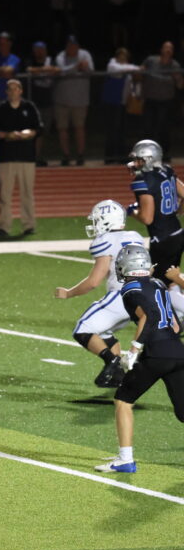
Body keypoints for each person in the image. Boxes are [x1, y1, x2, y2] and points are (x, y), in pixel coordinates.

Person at [95, 245, 184, 474]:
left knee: (123, 400)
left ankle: (125, 459)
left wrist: (134, 349)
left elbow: (149, 316)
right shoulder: (159, 284)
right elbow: (175, 326)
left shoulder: (130, 288)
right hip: (178, 351)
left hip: (156, 354)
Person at [54, 201, 147, 389]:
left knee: (82, 329)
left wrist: (68, 293)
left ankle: (112, 361)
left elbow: (94, 281)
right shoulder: (135, 236)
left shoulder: (105, 241)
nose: (95, 224)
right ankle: (118, 376)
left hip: (121, 295)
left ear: (106, 220)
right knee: (104, 332)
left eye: (97, 220)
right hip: (142, 295)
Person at [125, 139, 184, 286]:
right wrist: (178, 211)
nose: (136, 163)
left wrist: (132, 211)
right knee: (170, 282)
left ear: (150, 159)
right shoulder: (167, 170)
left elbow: (147, 218)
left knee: (156, 285)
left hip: (162, 239)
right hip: (178, 233)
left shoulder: (142, 181)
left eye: (139, 160)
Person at [0, 79, 40, 237]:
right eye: (10, 89)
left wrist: (28, 134)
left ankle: (29, 225)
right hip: (5, 157)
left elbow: (38, 128)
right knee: (4, 194)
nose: (13, 92)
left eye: (15, 89)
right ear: (6, 92)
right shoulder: (0, 109)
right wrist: (8, 135)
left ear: (21, 90)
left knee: (27, 193)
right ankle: (4, 226)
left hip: (26, 157)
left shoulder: (29, 107)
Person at [52, 36, 94, 166]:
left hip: (80, 100)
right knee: (62, 129)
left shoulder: (85, 54)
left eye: (74, 45)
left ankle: (80, 155)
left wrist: (83, 67)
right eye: (69, 45)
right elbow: (61, 71)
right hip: (62, 100)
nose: (72, 47)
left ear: (78, 46)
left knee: (79, 128)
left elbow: (91, 70)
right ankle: (66, 155)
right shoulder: (60, 56)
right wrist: (77, 66)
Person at [141, 42, 184, 155]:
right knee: (148, 128)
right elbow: (139, 74)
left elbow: (180, 85)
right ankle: (147, 154)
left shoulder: (175, 65)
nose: (168, 50)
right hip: (150, 100)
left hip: (166, 102)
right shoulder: (151, 60)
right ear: (161, 49)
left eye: (171, 48)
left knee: (163, 129)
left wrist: (177, 77)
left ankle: (164, 155)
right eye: (166, 47)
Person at [101, 48, 141, 163]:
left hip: (122, 104)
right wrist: (136, 68)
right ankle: (109, 157)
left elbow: (131, 86)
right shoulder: (112, 65)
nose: (123, 59)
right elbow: (119, 69)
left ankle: (120, 156)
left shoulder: (128, 70)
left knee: (122, 131)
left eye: (125, 57)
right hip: (111, 104)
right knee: (111, 130)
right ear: (117, 57)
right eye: (121, 56)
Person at [25, 41, 58, 166]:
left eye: (41, 49)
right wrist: (44, 70)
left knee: (42, 132)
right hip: (33, 103)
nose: (39, 52)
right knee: (32, 131)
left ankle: (36, 156)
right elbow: (29, 69)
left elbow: (56, 70)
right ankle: (31, 156)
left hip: (47, 102)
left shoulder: (51, 60)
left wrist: (40, 71)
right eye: (37, 50)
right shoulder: (30, 61)